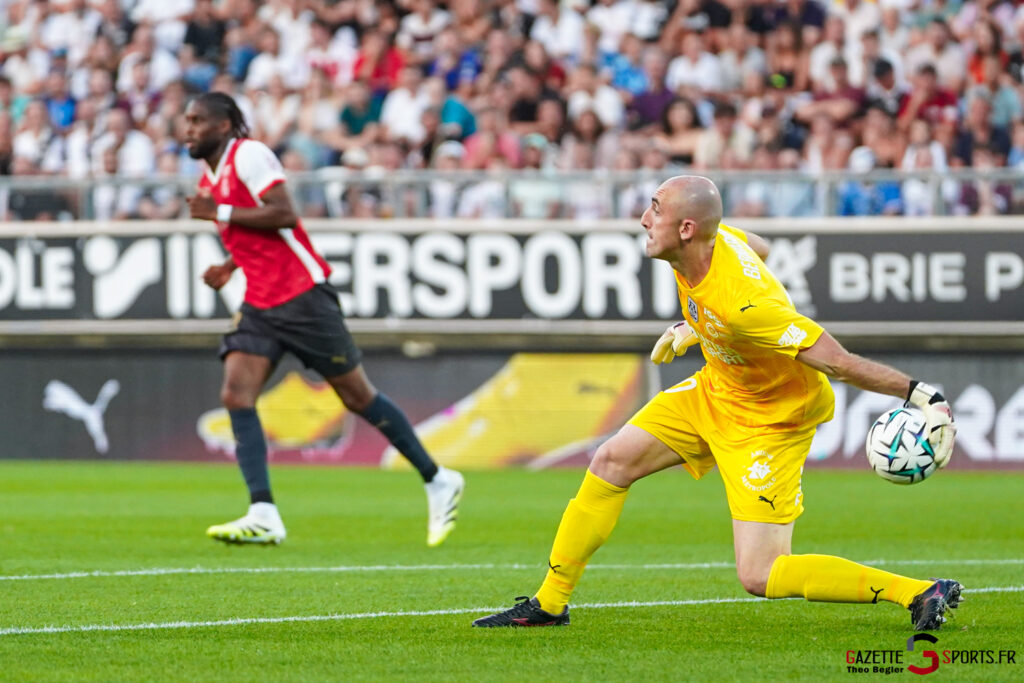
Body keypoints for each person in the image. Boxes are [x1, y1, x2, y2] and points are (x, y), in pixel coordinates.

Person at [473, 176, 959, 630]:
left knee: (760, 574)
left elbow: (837, 362)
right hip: (716, 390)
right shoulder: (714, 240)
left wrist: (923, 396)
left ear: (686, 229)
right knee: (611, 461)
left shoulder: (748, 307)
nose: (643, 219)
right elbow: (759, 247)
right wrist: (699, 327)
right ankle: (549, 603)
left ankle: (918, 592)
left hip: (771, 420)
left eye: (655, 209)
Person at [183, 92, 463, 547]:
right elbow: (252, 234)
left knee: (356, 396)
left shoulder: (248, 155)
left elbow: (284, 214)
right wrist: (231, 266)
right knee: (236, 393)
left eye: (197, 120)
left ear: (223, 125)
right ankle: (263, 512)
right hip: (260, 300)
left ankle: (437, 478)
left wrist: (220, 211)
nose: (188, 129)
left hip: (302, 296)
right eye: (187, 120)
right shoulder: (207, 176)